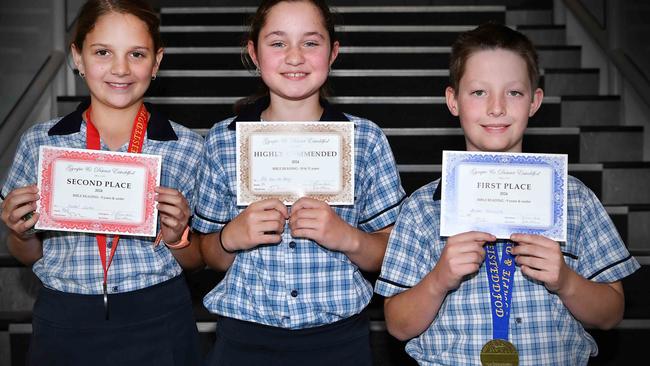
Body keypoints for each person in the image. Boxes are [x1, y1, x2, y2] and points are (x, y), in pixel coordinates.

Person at [374, 23, 640, 365]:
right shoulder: (421, 209)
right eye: (478, 92)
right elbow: (397, 325)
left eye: (513, 92)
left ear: (535, 101)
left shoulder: (575, 200)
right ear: (453, 101)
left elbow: (610, 313)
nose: (496, 107)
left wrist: (566, 281)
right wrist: (439, 280)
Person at [191, 0, 405, 365]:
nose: (294, 57)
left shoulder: (365, 140)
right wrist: (231, 236)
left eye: (311, 42)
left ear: (333, 52)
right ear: (253, 53)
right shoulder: (224, 140)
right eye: (277, 43)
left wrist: (348, 238)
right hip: (244, 339)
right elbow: (207, 253)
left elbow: (392, 253)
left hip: (339, 341)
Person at [0, 1, 203, 365]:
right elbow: (28, 254)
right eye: (103, 52)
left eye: (136, 54)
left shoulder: (187, 146)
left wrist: (178, 238)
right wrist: (20, 233)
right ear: (77, 58)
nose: (120, 69)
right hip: (64, 317)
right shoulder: (41, 142)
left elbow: (196, 259)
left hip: (158, 314)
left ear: (156, 62)